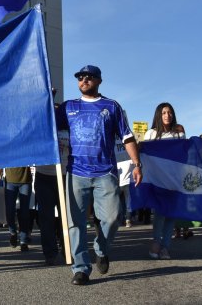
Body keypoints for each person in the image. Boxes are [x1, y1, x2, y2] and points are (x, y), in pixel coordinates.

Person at [56, 65, 142, 286]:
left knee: (114, 217)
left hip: (105, 172)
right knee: (75, 222)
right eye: (80, 77)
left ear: (99, 81)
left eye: (89, 77)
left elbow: (127, 137)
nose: (84, 80)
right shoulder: (69, 107)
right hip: (76, 172)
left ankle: (101, 248)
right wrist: (49, 98)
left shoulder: (111, 107)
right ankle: (81, 268)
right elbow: (46, 125)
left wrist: (137, 164)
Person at [142, 102, 185, 260]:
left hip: (175, 179)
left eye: (170, 112)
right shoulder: (151, 133)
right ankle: (156, 242)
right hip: (158, 180)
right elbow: (146, 156)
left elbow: (183, 154)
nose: (167, 115)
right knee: (160, 212)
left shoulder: (179, 132)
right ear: (159, 115)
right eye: (164, 113)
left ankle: (166, 247)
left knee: (171, 214)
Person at [0, 166, 32, 251]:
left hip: (25, 181)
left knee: (24, 213)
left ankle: (23, 241)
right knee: (9, 211)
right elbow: (0, 161)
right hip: (10, 181)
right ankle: (13, 233)